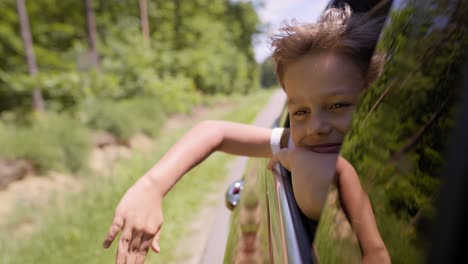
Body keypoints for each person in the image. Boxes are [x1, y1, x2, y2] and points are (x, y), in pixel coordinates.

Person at [102, 5, 390, 264]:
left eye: (338, 105)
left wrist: (293, 159)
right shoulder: (301, 141)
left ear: (372, 98)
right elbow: (216, 131)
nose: (317, 127)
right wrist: (152, 186)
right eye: (300, 112)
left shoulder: (377, 162)